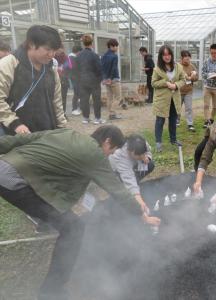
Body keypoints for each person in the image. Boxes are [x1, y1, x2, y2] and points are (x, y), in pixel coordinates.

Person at [0, 125, 160, 300]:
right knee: (73, 228)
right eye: (112, 150)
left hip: (5, 168)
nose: (110, 155)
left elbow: (17, 141)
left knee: (66, 220)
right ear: (107, 142)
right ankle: (51, 291)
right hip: (16, 182)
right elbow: (117, 188)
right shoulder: (94, 154)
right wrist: (140, 214)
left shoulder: (66, 133)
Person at [0, 25, 66, 136]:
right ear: (31, 44)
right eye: (48, 49)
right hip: (15, 133)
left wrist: (62, 128)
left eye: (55, 50)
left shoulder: (50, 69)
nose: (52, 55)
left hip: (46, 130)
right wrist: (15, 123)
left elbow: (57, 102)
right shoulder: (9, 64)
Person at [109, 134, 155, 214]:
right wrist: (140, 201)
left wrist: (147, 156)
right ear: (129, 151)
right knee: (126, 185)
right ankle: (126, 193)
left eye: (142, 154)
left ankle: (135, 185)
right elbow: (128, 177)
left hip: (131, 167)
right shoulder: (119, 155)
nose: (141, 156)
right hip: (116, 171)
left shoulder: (141, 143)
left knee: (150, 165)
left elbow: (148, 151)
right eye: (138, 155)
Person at [152, 45, 185, 152]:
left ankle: (173, 140)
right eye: (164, 55)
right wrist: (165, 83)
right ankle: (158, 143)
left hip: (174, 99)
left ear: (171, 55)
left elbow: (183, 80)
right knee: (160, 121)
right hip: (162, 100)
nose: (167, 57)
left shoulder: (178, 67)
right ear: (161, 56)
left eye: (169, 54)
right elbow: (153, 83)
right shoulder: (157, 69)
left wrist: (175, 85)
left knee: (173, 120)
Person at [76, 33, 104, 124]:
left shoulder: (78, 55)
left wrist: (79, 79)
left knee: (84, 100)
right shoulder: (95, 55)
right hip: (94, 81)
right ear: (92, 43)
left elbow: (75, 69)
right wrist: (99, 79)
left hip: (82, 80)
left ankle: (86, 118)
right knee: (96, 100)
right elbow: (99, 69)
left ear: (83, 43)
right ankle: (97, 118)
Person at [201, 43, 216, 128]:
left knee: (215, 106)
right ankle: (207, 120)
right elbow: (203, 73)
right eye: (212, 53)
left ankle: (211, 118)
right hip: (207, 87)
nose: (213, 55)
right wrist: (209, 75)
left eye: (215, 53)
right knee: (206, 105)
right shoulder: (206, 61)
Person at [101, 38, 122, 120]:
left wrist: (104, 79)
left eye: (117, 46)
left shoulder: (104, 56)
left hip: (106, 79)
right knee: (118, 97)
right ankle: (112, 113)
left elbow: (101, 68)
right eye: (115, 46)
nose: (116, 47)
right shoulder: (114, 56)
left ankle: (111, 114)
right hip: (113, 79)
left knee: (110, 97)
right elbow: (113, 68)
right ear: (110, 46)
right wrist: (110, 78)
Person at [178, 50, 198, 132]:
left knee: (189, 108)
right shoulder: (178, 66)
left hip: (188, 91)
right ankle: (176, 121)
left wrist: (193, 77)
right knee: (177, 108)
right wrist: (184, 77)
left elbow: (197, 78)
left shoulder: (192, 66)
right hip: (178, 91)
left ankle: (190, 124)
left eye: (189, 58)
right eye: (186, 58)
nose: (188, 59)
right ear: (182, 58)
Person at [54, 47, 70, 114]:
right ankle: (60, 113)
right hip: (59, 80)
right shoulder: (53, 57)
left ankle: (61, 113)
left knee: (61, 98)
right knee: (60, 98)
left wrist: (61, 68)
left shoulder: (65, 57)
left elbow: (69, 65)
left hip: (62, 80)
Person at [69, 45, 82, 116]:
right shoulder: (72, 58)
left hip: (75, 77)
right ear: (78, 52)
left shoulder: (72, 57)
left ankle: (77, 108)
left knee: (78, 93)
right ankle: (74, 109)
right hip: (75, 77)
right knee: (76, 93)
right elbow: (74, 68)